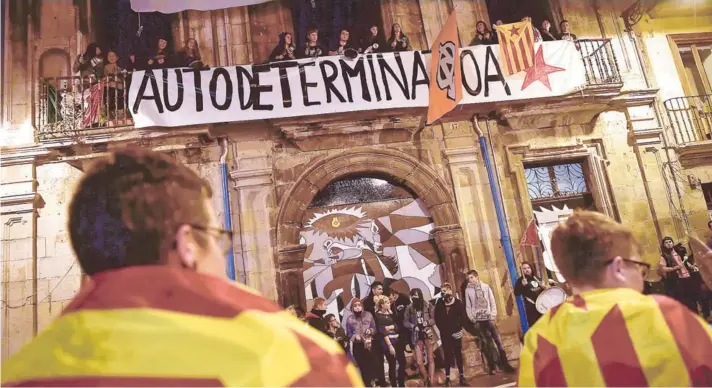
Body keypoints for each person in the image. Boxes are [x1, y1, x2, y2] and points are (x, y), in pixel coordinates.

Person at [0, 149, 362, 386]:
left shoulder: (22, 373)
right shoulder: (293, 358)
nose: (221, 254)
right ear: (187, 245)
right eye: (217, 238)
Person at [517, 210, 712, 386]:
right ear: (618, 267)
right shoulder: (665, 316)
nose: (641, 276)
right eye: (639, 266)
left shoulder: (539, 339)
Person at [464, 269, 514, 374]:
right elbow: (468, 306)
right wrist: (472, 318)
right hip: (478, 320)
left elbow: (492, 301)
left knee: (498, 341)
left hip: (488, 318)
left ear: (477, 277)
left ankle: (505, 365)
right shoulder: (468, 290)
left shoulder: (485, 287)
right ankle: (492, 367)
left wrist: (493, 315)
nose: (470, 280)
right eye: (469, 278)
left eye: (472, 277)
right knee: (485, 343)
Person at [434, 283, 467, 387]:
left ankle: (462, 377)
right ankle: (447, 379)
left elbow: (463, 318)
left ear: (450, 291)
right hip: (445, 334)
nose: (444, 293)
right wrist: (443, 330)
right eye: (442, 291)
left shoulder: (457, 303)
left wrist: (459, 329)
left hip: (456, 333)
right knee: (448, 355)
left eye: (445, 291)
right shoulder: (439, 303)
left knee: (458, 354)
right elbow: (437, 318)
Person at [404, 288, 436, 387]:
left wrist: (428, 322)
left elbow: (434, 318)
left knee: (430, 358)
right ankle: (426, 376)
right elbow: (405, 322)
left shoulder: (427, 305)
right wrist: (413, 326)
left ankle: (431, 381)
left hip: (428, 333)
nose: (414, 298)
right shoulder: (409, 308)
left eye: (416, 295)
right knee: (419, 361)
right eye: (412, 296)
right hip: (416, 336)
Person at [660, 236, 698, 312]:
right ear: (664, 245)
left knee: (693, 298)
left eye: (670, 242)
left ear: (673, 243)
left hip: (688, 276)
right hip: (678, 280)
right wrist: (676, 267)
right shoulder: (663, 256)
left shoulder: (679, 252)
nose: (668, 244)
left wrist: (692, 266)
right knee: (684, 300)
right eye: (666, 243)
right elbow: (663, 269)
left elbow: (686, 263)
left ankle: (696, 315)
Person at [374, 295, 406, 387]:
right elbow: (382, 331)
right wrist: (390, 345)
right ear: (382, 305)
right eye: (387, 302)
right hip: (388, 342)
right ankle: (394, 385)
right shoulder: (378, 316)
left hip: (397, 339)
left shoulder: (391, 313)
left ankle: (401, 384)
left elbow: (398, 326)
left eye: (389, 302)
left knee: (402, 362)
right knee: (392, 365)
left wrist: (391, 327)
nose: (389, 304)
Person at [346, 298, 376, 386]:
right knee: (363, 368)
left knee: (371, 366)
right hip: (358, 346)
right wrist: (355, 336)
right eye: (355, 306)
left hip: (369, 344)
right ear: (352, 308)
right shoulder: (349, 319)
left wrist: (370, 330)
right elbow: (348, 334)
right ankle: (366, 385)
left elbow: (374, 328)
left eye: (359, 305)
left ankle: (371, 383)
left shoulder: (369, 315)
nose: (357, 307)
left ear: (362, 306)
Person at [514, 262, 546, 327]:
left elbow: (544, 291)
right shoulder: (521, 280)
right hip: (532, 308)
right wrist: (522, 285)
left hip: (542, 306)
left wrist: (544, 286)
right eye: (524, 268)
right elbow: (516, 293)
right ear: (522, 271)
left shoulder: (536, 278)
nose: (527, 270)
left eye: (528, 268)